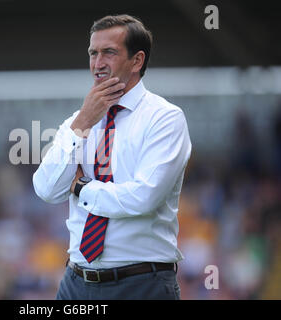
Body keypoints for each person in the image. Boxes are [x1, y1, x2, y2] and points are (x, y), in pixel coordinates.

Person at [32, 14, 192, 300]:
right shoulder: (79, 120)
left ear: (137, 61)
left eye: (109, 52)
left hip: (142, 283)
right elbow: (46, 189)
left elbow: (144, 197)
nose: (97, 63)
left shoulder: (165, 118)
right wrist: (83, 121)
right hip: (75, 282)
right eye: (93, 53)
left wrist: (81, 188)